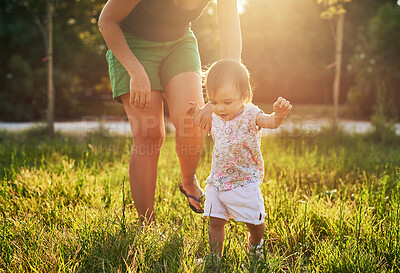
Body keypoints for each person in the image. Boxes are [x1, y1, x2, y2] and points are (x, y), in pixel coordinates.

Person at [98, 0, 242, 224]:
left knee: (192, 120)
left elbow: (231, 34)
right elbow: (107, 21)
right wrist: (135, 71)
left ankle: (187, 180)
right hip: (132, 44)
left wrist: (217, 97)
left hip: (179, 42)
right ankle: (147, 223)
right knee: (149, 134)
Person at [186, 59, 292, 258]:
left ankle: (255, 244)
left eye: (227, 102)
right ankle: (214, 257)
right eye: (214, 102)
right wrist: (195, 115)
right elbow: (210, 128)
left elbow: (270, 122)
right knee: (216, 221)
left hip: (244, 181)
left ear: (244, 95)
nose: (220, 108)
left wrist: (278, 115)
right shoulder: (217, 116)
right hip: (218, 181)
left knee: (255, 223)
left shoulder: (251, 114)